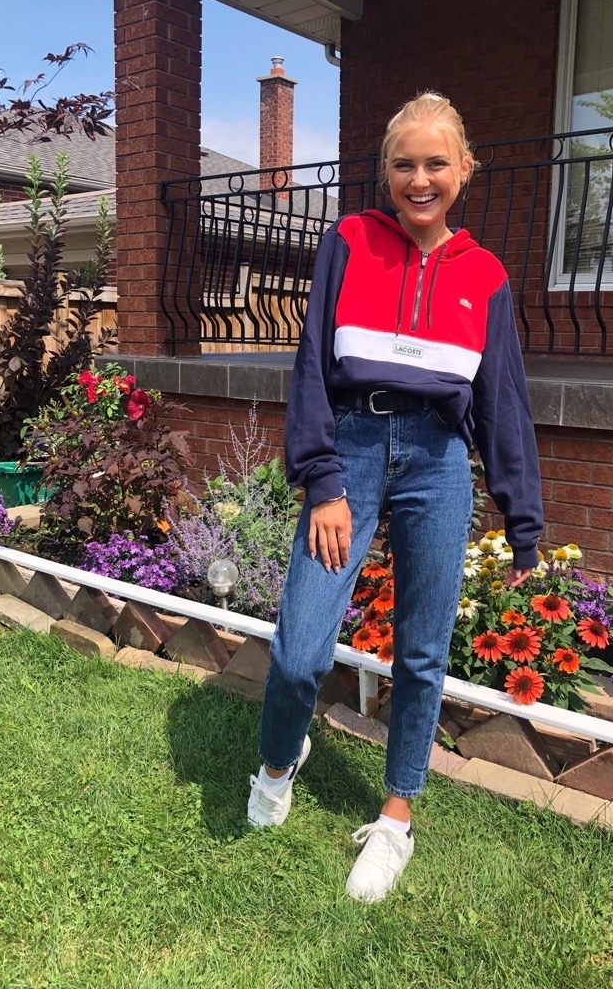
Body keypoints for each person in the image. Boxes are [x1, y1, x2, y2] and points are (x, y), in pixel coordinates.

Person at [246, 91, 543, 903]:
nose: (420, 179)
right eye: (404, 164)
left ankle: (396, 818)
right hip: (350, 448)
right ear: (385, 171)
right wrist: (323, 479)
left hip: (438, 462)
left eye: (436, 163)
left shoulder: (485, 277)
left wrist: (523, 523)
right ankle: (278, 760)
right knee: (300, 648)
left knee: (421, 652)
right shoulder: (349, 241)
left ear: (464, 170)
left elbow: (502, 405)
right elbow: (312, 364)